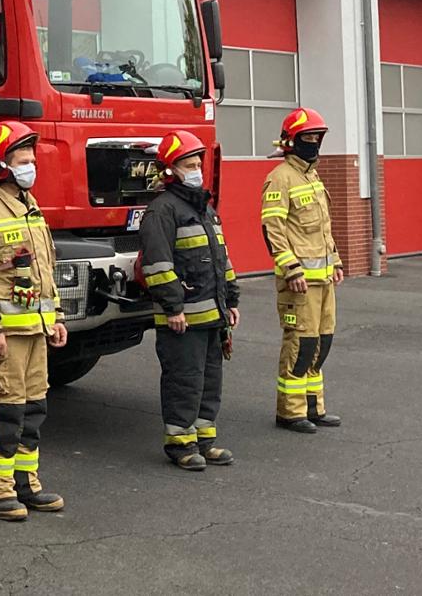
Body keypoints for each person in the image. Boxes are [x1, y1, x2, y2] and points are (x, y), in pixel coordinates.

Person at [0, 121, 70, 521]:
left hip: (35, 330)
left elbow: (44, 270)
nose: (30, 167)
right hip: (3, 335)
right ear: (2, 164)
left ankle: (26, 484)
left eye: (32, 160)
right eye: (22, 160)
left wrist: (54, 318)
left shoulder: (29, 205)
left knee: (32, 410)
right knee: (4, 411)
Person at [137, 130, 241, 470]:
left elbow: (221, 259)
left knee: (210, 380)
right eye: (188, 165)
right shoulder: (162, 211)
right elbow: (157, 265)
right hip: (182, 318)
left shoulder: (205, 209)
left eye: (198, 163)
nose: (196, 170)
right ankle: (181, 444)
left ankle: (204, 439)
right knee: (184, 380)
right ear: (170, 170)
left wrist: (232, 301)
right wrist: (173, 307)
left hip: (213, 313)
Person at [259, 107, 345, 434]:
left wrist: (334, 261)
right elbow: (273, 228)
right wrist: (291, 269)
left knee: (322, 343)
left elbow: (322, 227)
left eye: (316, 138)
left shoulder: (311, 175)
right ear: (291, 141)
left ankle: (313, 406)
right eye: (307, 138)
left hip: (323, 281)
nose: (313, 143)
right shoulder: (280, 176)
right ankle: (290, 412)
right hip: (298, 283)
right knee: (300, 345)